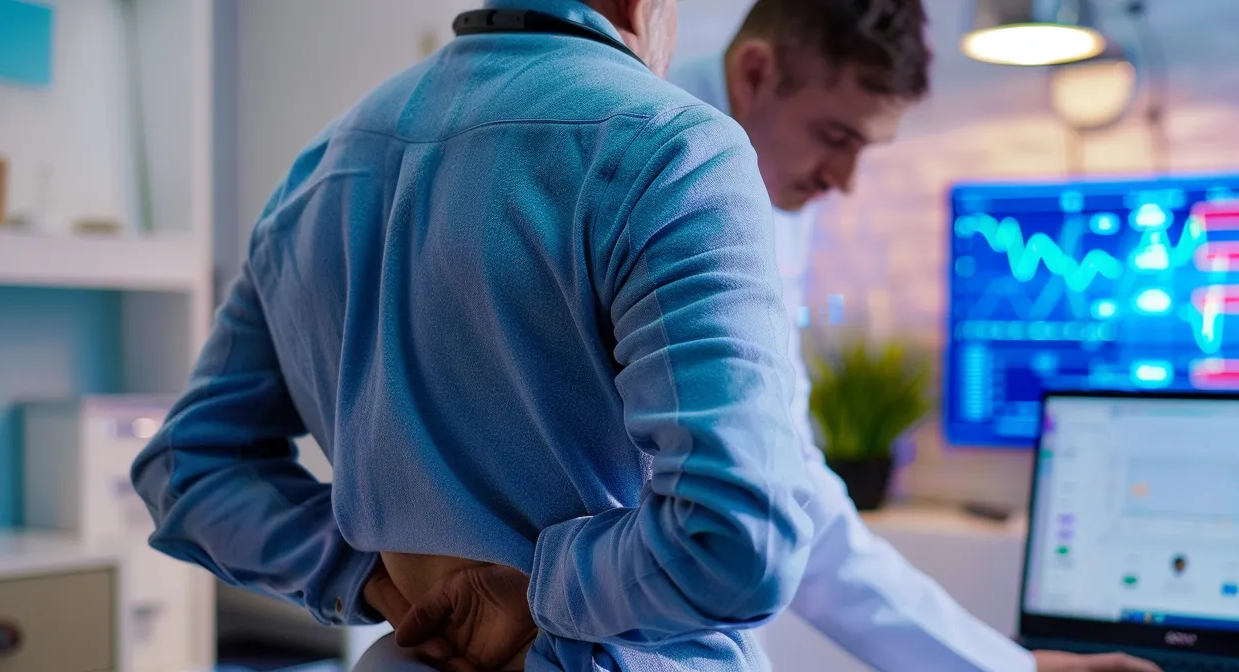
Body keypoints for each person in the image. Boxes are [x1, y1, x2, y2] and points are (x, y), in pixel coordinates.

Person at [129, 0, 820, 669]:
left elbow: (187, 467)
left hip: (408, 653)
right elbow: (737, 538)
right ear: (642, 5)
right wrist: (544, 593)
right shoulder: (674, 147)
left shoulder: (313, 179)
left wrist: (373, 575)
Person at [665, 2, 1161, 671]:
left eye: (862, 147)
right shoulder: (664, 157)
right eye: (836, 136)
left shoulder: (764, 174)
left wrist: (1013, 667)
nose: (844, 180)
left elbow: (788, 483)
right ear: (755, 73)